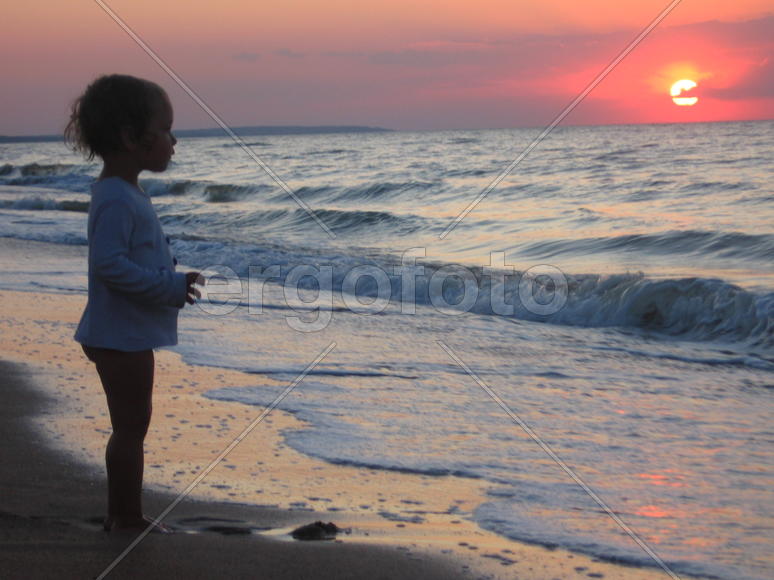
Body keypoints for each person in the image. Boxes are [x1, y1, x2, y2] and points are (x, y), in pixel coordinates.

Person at [65, 74, 202, 533]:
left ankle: (123, 512)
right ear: (131, 137)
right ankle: (124, 515)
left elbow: (129, 257)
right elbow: (111, 267)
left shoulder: (121, 193)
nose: (173, 139)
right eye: (165, 129)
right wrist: (168, 287)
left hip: (119, 331)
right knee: (130, 427)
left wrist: (169, 274)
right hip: (119, 335)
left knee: (131, 424)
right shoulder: (118, 199)